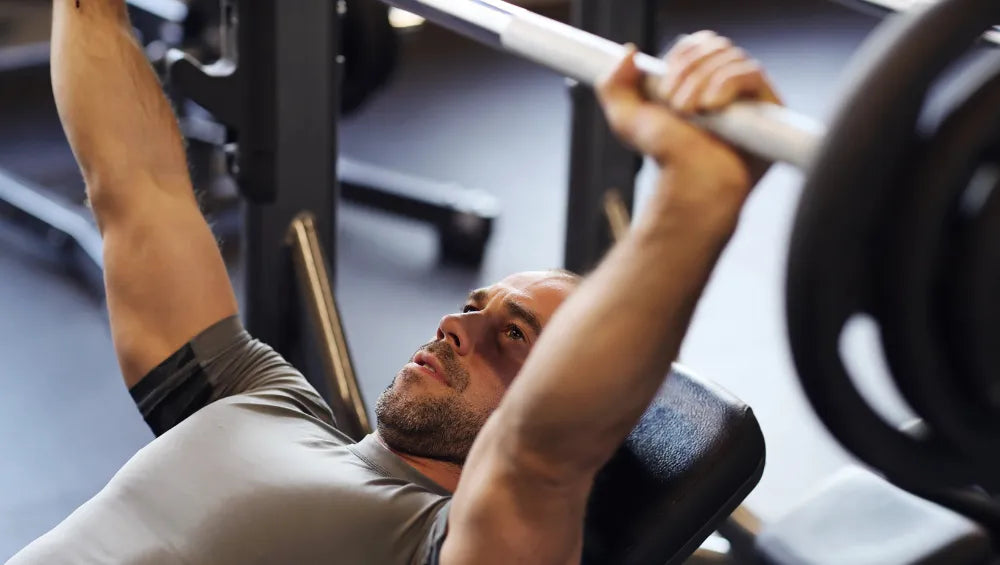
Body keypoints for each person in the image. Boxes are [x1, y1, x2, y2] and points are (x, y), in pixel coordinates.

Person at [8, 1, 781, 564]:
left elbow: (542, 455)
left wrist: (698, 197)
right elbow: (135, 189)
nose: (456, 325)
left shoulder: (446, 543)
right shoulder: (261, 395)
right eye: (475, 305)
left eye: (512, 335)